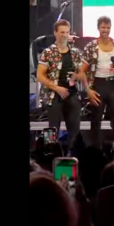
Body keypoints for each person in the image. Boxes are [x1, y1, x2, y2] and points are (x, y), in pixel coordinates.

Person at [80, 16, 114, 147]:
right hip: (98, 84)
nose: (105, 30)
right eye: (103, 27)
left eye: (108, 28)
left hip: (113, 84)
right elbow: (81, 71)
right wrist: (88, 90)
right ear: (98, 28)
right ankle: (96, 152)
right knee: (96, 121)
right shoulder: (91, 46)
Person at [37, 20, 85, 152]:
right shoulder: (48, 52)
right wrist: (57, 88)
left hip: (72, 94)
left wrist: (77, 76)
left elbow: (82, 73)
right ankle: (49, 156)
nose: (65, 35)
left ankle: (72, 158)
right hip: (54, 95)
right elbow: (40, 76)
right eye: (62, 32)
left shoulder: (75, 53)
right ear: (55, 33)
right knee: (52, 130)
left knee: (75, 131)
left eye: (67, 32)